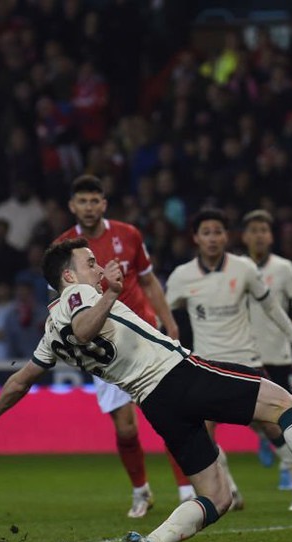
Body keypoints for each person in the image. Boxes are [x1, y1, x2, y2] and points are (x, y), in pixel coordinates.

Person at [0, 238, 292, 542]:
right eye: (88, 262)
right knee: (284, 401)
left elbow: (24, 377)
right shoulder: (81, 297)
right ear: (68, 277)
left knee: (216, 497)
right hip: (178, 374)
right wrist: (109, 292)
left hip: (156, 404)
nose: (96, 266)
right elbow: (87, 327)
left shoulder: (50, 332)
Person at [54, 175, 192, 518]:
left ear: (104, 203)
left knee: (169, 414)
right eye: (82, 201)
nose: (88, 207)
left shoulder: (129, 235)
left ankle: (188, 491)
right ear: (72, 206)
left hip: (144, 334)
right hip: (103, 345)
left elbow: (148, 280)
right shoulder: (63, 247)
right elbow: (61, 301)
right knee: (126, 428)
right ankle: (141, 490)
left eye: (94, 200)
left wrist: (170, 323)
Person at [165, 208, 292, 511]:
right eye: (206, 232)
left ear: (227, 236)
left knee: (272, 427)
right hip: (205, 366)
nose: (213, 238)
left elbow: (271, 306)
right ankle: (229, 492)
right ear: (196, 238)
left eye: (218, 232)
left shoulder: (244, 269)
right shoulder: (182, 277)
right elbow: (161, 316)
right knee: (203, 432)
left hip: (246, 362)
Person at [241, 209, 292, 511]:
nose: (259, 235)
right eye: (253, 230)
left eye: (264, 230)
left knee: (290, 420)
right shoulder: (236, 269)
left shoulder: (284, 268)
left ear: (271, 236)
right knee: (254, 417)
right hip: (245, 354)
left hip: (279, 354)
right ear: (244, 236)